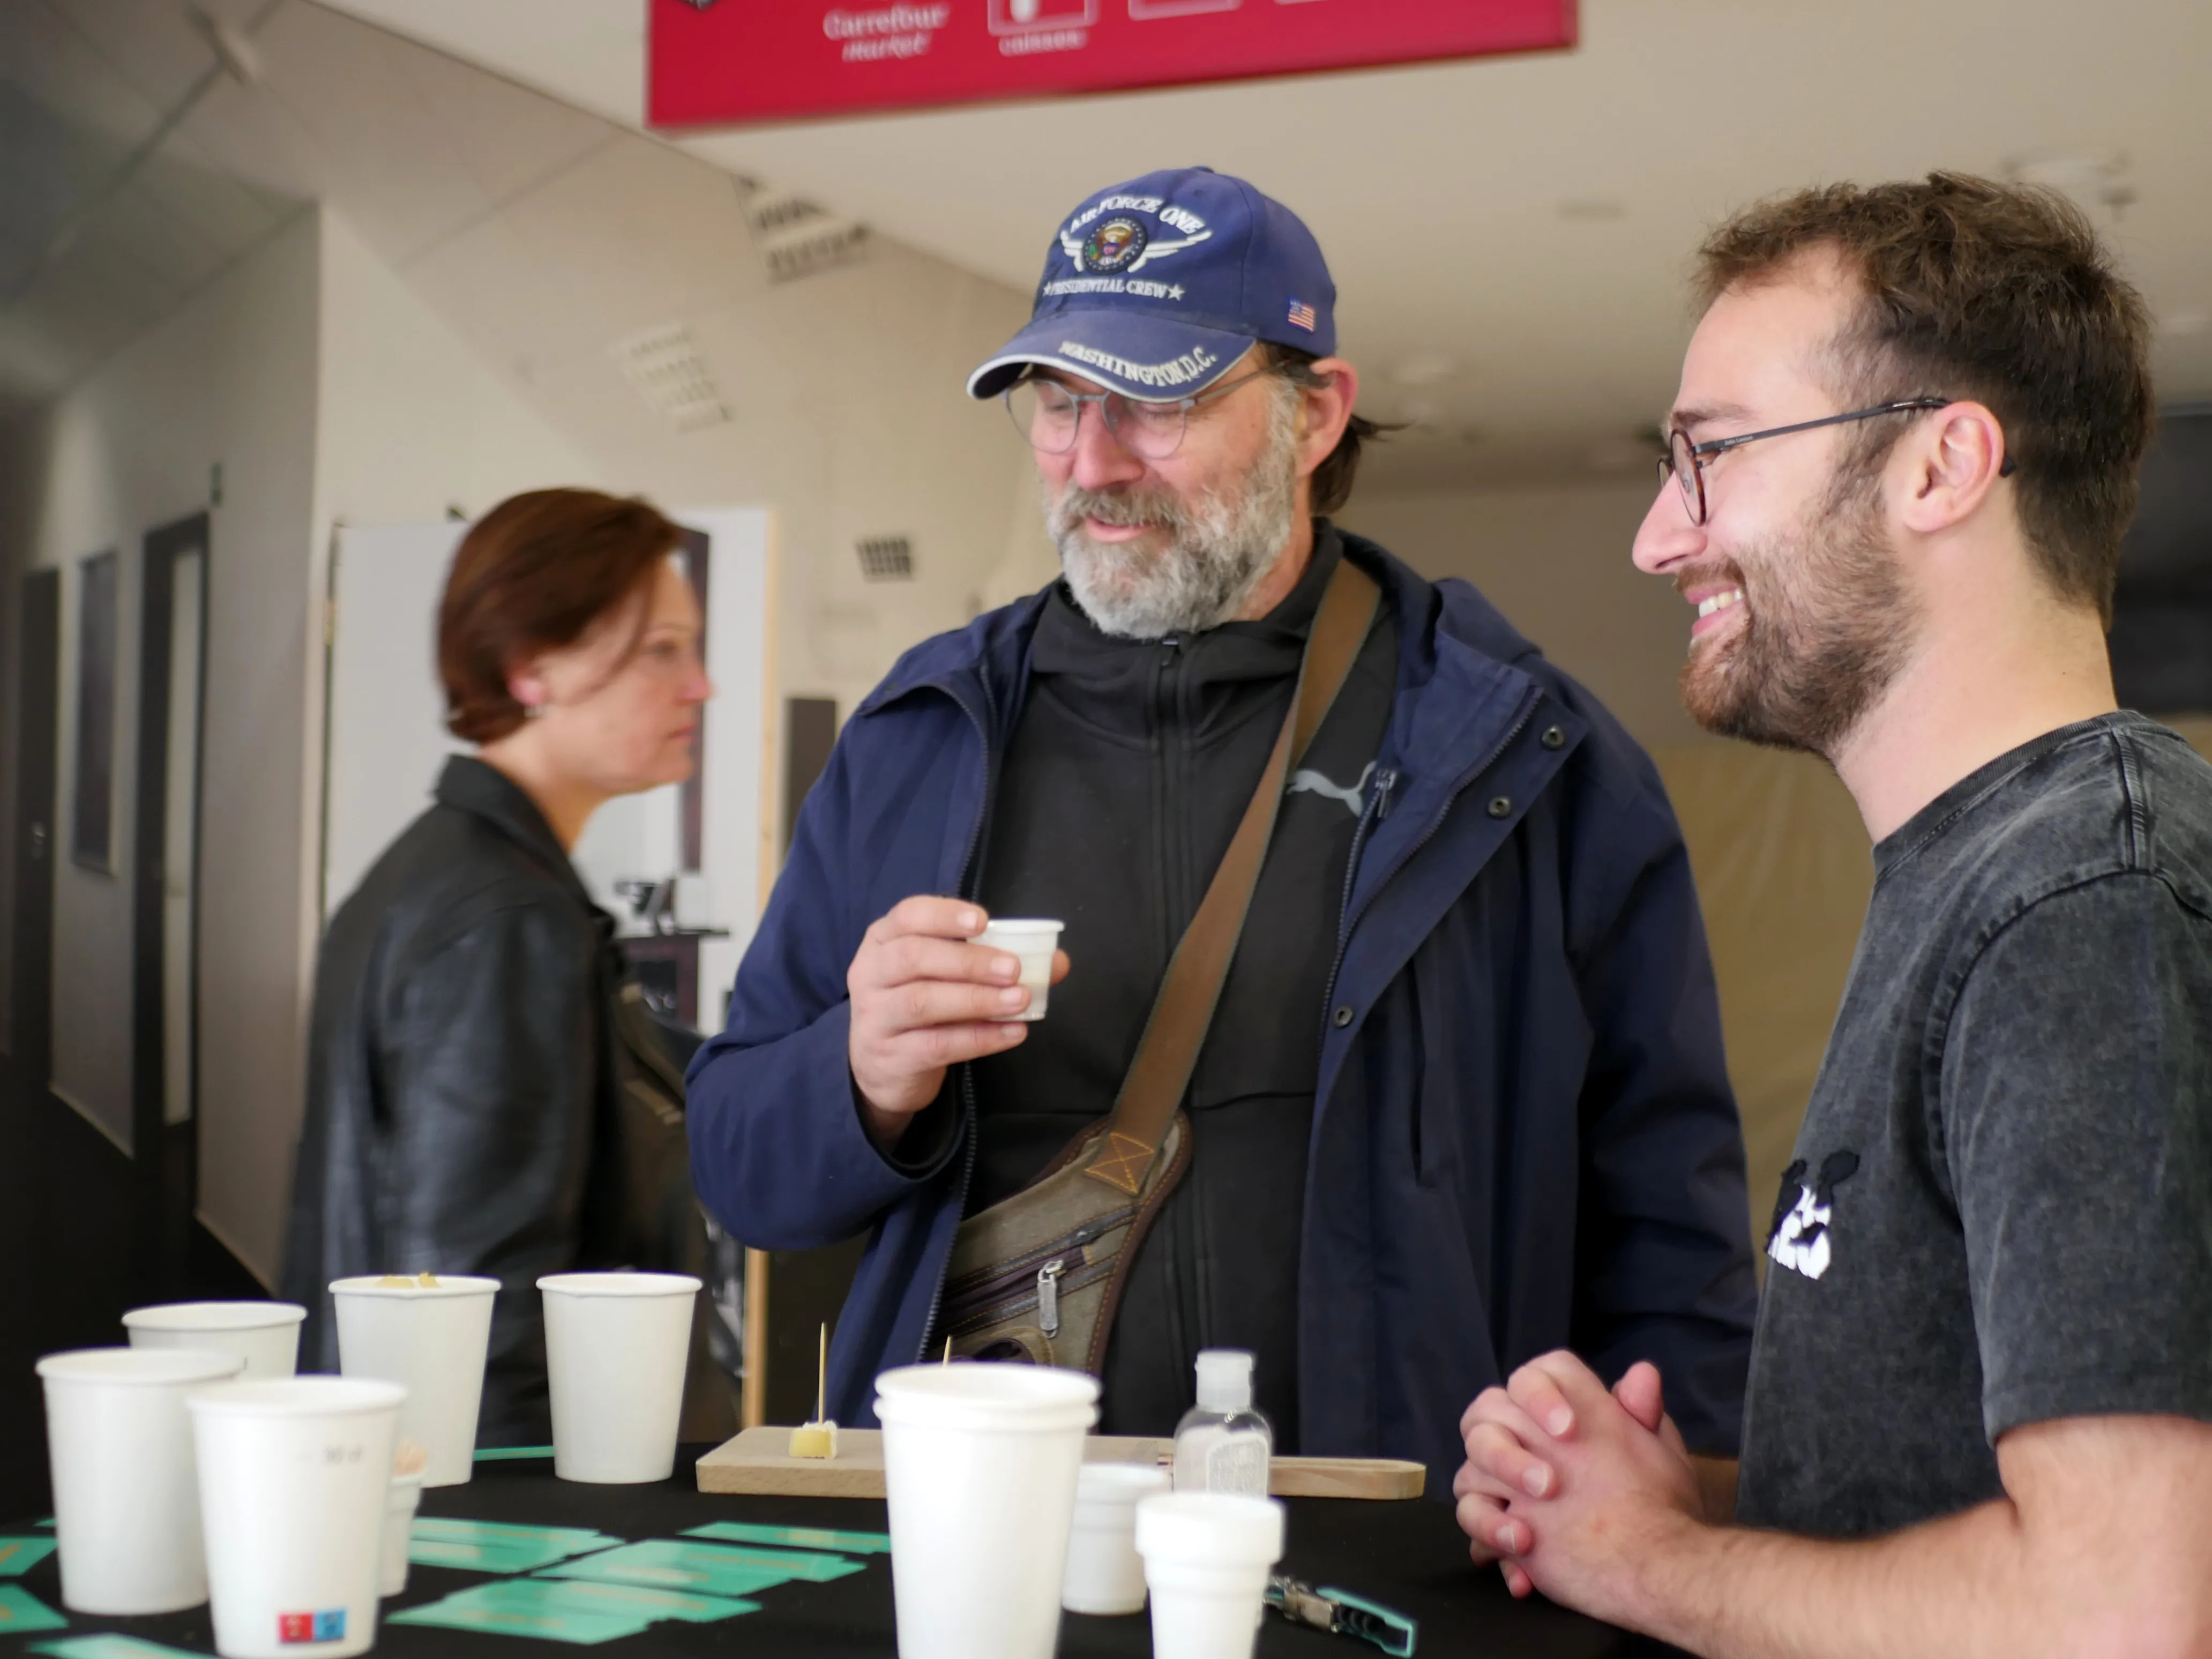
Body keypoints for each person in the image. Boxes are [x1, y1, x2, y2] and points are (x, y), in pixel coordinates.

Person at [687, 167, 1757, 1490]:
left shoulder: (1525, 754)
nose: (1092, 460)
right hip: (989, 1536)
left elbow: (1671, 1221)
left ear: (1316, 414)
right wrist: (859, 1074)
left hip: (1399, 1543)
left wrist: (1680, 1515)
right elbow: (738, 1164)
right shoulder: (922, 739)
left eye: (1156, 401)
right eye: (1061, 402)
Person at [1455, 174, 2212, 1655]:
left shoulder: (2082, 910)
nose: (1658, 541)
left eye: (1712, 455)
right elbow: (1937, 1503)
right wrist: (1685, 1502)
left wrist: (1652, 1564)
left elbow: (2123, 1613)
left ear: (1941, 467)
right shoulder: (1982, 873)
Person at [283, 488, 733, 1447]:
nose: (701, 685)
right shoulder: (505, 918)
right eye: (661, 649)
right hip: (518, 1514)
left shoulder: (446, 872)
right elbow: (477, 1312)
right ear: (534, 668)